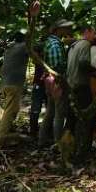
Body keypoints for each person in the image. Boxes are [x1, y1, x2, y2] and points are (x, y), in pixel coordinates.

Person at [66, 25, 96, 164]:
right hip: (81, 87)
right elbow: (84, 64)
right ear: (86, 32)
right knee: (87, 120)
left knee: (72, 120)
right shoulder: (85, 44)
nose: (95, 36)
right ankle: (81, 153)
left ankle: (70, 150)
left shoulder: (73, 45)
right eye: (94, 32)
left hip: (71, 86)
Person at [39, 19, 73, 147]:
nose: (69, 31)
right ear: (59, 30)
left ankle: (42, 140)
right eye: (67, 28)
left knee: (50, 112)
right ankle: (57, 143)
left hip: (49, 80)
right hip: (56, 81)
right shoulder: (54, 44)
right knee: (59, 114)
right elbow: (57, 66)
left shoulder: (53, 41)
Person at [0, 32, 29, 147]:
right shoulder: (23, 47)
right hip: (14, 84)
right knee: (10, 110)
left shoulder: (9, 48)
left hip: (6, 83)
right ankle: (2, 135)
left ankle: (5, 131)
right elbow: (38, 46)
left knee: (12, 108)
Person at [28, 46, 46, 140]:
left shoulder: (45, 58)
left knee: (47, 109)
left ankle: (38, 132)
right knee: (35, 108)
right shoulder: (38, 59)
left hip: (45, 84)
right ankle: (33, 131)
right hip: (39, 84)